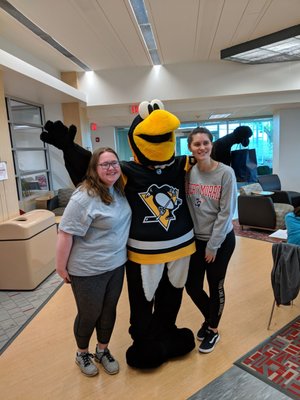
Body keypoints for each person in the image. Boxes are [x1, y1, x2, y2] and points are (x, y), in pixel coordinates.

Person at [56, 147, 132, 377]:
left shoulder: (118, 190)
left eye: (114, 163)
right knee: (89, 313)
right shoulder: (84, 196)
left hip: (117, 265)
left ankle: (102, 350)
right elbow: (65, 233)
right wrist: (60, 267)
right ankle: (82, 353)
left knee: (109, 310)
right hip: (88, 269)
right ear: (94, 169)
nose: (111, 168)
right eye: (104, 164)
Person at [185, 127, 237, 353]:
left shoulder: (226, 173)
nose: (202, 147)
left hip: (221, 241)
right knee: (192, 286)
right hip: (196, 240)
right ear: (190, 148)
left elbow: (226, 213)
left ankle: (213, 330)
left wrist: (213, 245)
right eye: (197, 144)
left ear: (211, 145)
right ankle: (210, 318)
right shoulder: (187, 173)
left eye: (205, 143)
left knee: (215, 285)